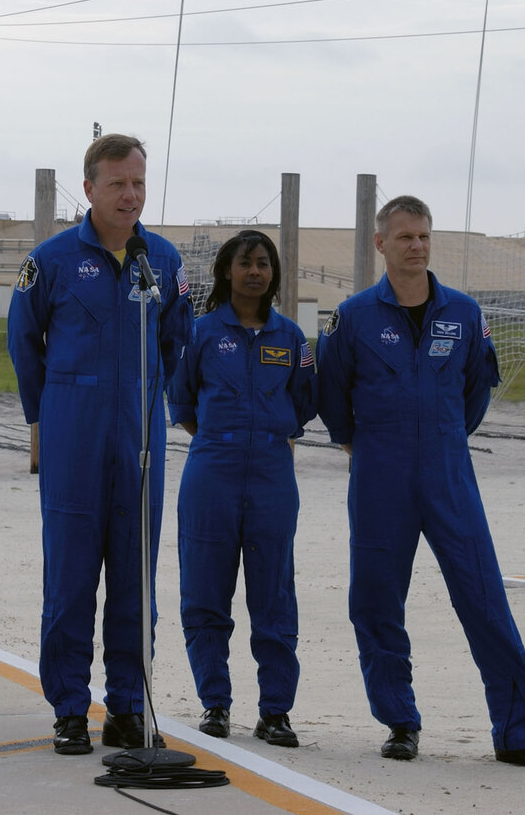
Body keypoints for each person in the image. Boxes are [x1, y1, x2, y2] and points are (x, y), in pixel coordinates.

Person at [315, 194, 525, 769]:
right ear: (381, 244)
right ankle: (400, 722)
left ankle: (519, 731)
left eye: (424, 236)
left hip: (449, 470)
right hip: (380, 471)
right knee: (376, 601)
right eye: (405, 237)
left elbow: (479, 386)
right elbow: (332, 394)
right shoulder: (353, 317)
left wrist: (446, 434)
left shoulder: (463, 312)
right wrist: (363, 441)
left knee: (483, 595)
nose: (417, 246)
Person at [7, 133, 191, 755]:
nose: (131, 195)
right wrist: (48, 416)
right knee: (71, 579)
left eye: (139, 183)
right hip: (73, 434)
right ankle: (68, 708)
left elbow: (174, 342)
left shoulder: (162, 261)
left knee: (137, 580)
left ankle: (128, 707)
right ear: (89, 188)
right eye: (118, 184)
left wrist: (149, 401)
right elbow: (23, 341)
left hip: (138, 437)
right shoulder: (52, 260)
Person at [168, 229, 314, 747]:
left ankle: (275, 711)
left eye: (264, 264)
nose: (255, 272)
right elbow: (182, 404)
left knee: (274, 596)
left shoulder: (292, 338)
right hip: (212, 472)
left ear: (273, 274)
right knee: (206, 594)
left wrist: (263, 437)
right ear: (226, 271)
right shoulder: (201, 333)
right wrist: (224, 440)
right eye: (245, 263)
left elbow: (303, 403)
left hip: (274, 474)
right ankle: (215, 704)